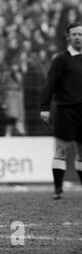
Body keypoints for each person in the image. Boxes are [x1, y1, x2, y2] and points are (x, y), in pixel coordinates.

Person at [40, 21, 82, 200]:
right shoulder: (61, 60)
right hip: (66, 110)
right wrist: (45, 107)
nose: (78, 37)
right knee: (61, 150)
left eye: (80, 34)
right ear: (68, 37)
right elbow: (50, 84)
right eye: (74, 34)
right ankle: (58, 189)